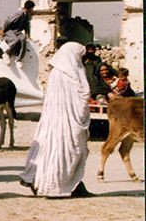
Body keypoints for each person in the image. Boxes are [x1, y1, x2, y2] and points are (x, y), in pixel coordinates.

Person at [19, 42, 92, 198]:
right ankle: (59, 185)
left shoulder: (55, 73)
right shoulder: (74, 72)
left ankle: (40, 181)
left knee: (48, 148)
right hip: (69, 121)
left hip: (53, 120)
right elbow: (84, 94)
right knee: (70, 149)